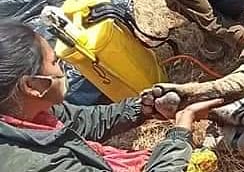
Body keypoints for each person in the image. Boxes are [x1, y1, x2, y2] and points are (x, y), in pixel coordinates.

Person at [0, 21, 224, 171]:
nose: (62, 70)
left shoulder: (26, 111)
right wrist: (179, 136)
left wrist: (144, 107)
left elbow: (84, 121)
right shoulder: (34, 165)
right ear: (32, 85)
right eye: (54, 63)